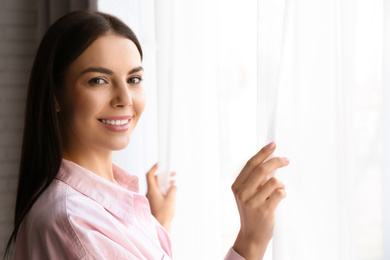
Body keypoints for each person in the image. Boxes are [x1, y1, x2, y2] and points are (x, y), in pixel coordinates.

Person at [4, 11, 289, 260]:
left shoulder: (94, 208)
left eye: (133, 79)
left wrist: (154, 226)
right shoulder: (74, 222)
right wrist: (251, 242)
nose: (124, 98)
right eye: (98, 80)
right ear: (56, 95)